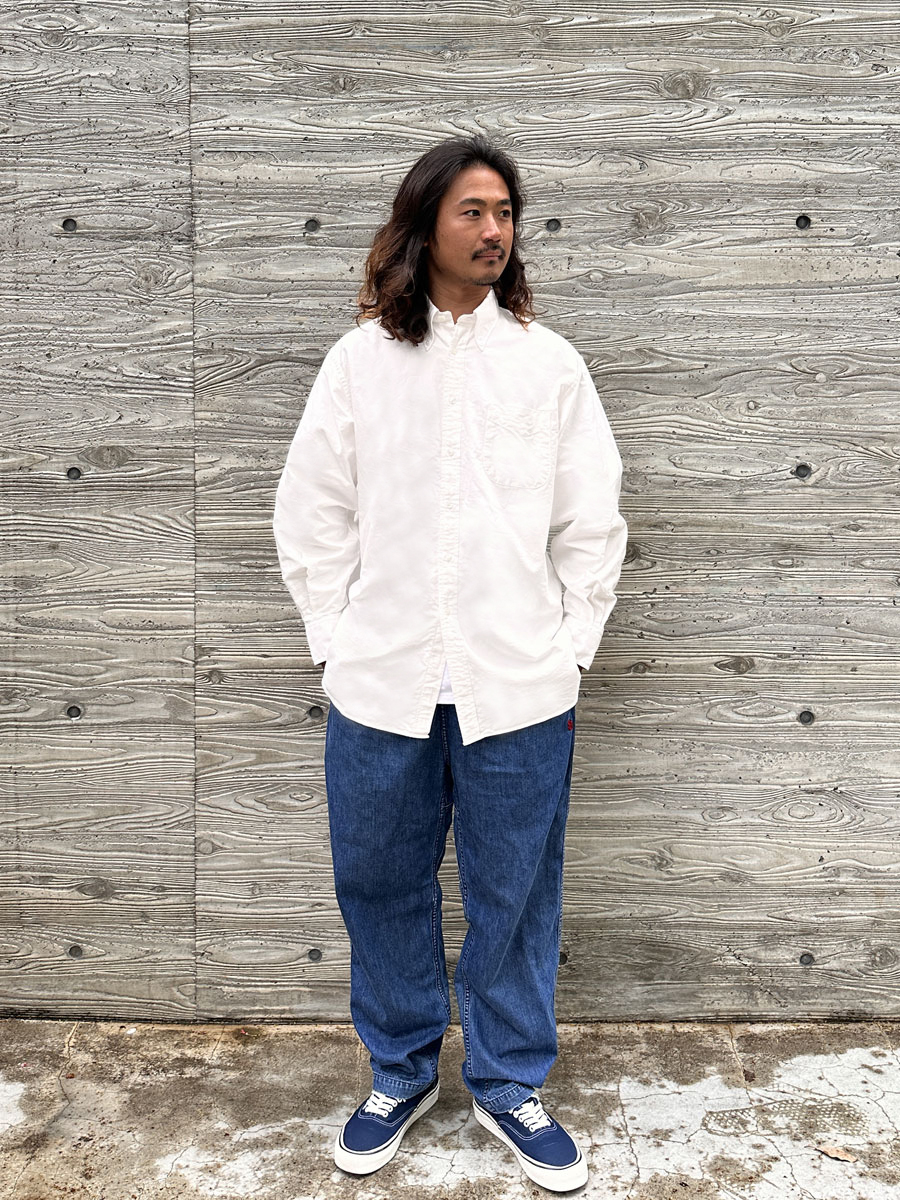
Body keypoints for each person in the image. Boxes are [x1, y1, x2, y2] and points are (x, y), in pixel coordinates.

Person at [272, 134, 628, 1193]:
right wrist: (337, 640)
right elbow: (312, 511)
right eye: (473, 210)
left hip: (518, 687)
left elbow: (592, 522)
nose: (494, 229)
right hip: (381, 686)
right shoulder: (361, 363)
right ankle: (401, 1070)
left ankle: (510, 1082)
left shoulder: (549, 365)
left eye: (506, 212)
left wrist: (568, 649)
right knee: (378, 883)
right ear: (424, 224)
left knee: (516, 894)